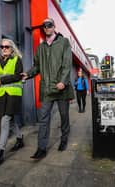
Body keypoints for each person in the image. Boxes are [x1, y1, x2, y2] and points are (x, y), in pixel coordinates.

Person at [21, 18, 75, 160]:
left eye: (49, 25)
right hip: (46, 89)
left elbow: (67, 63)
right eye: (44, 26)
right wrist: (28, 74)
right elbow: (37, 66)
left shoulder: (64, 42)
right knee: (43, 118)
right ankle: (41, 148)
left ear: (54, 26)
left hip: (61, 88)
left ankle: (64, 139)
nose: (47, 27)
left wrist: (63, 81)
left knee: (64, 116)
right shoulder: (41, 47)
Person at [0, 38, 24, 166]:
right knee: (11, 120)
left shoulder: (17, 59)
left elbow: (18, 76)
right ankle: (20, 139)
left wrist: (3, 80)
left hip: (13, 95)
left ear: (12, 48)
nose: (4, 49)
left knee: (5, 121)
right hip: (1, 95)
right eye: (2, 47)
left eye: (7, 47)